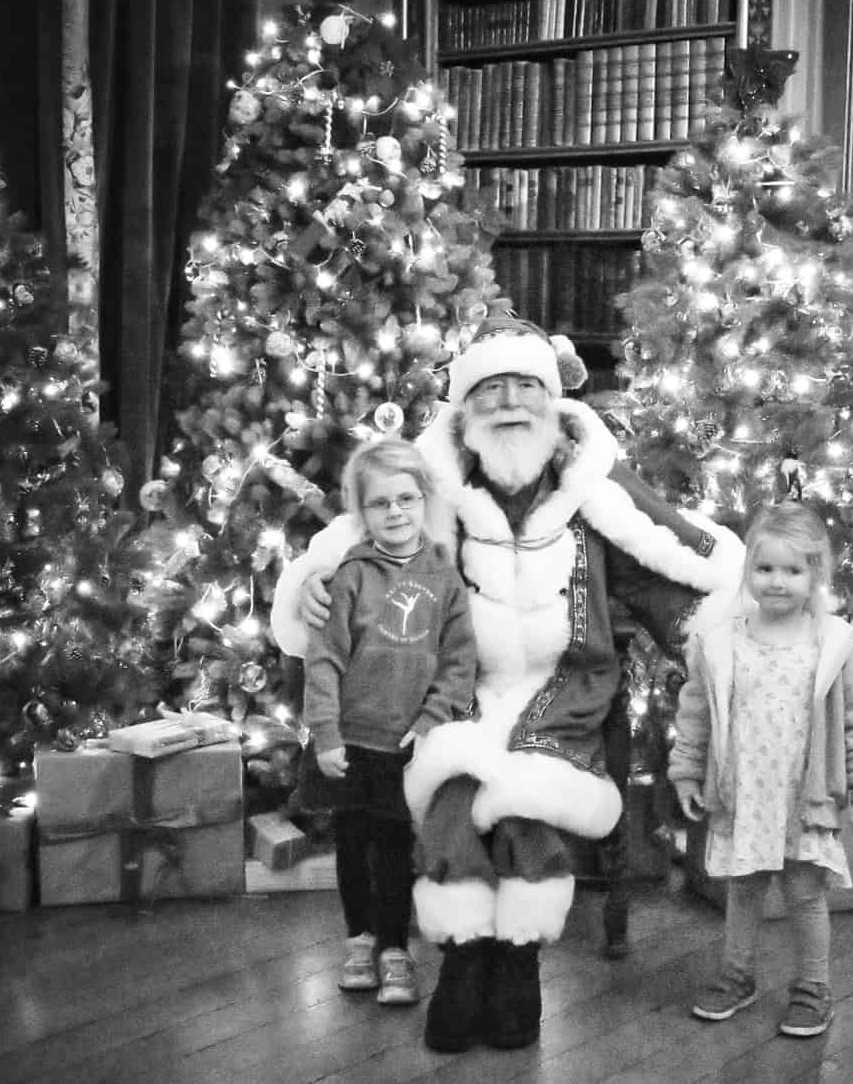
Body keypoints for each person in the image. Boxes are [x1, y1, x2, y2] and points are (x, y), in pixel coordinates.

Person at [274, 315, 744, 1053]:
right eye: (491, 390)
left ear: (553, 404)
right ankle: (467, 954)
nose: (509, 403)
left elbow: (674, 572)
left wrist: (722, 650)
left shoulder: (597, 495)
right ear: (464, 412)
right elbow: (358, 553)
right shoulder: (436, 490)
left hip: (566, 693)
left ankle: (515, 960)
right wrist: (312, 586)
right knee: (456, 777)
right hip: (451, 687)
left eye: (525, 386)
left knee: (524, 788)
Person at [669, 501, 853, 1038]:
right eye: (765, 569)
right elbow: (696, 713)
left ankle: (813, 988)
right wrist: (688, 772)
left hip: (802, 797)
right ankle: (737, 976)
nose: (778, 581)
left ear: (816, 575)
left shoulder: (833, 644)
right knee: (743, 892)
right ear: (749, 572)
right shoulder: (721, 643)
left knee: (804, 894)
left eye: (793, 570)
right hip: (744, 795)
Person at [303, 437, 478, 1008]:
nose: (395, 512)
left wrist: (432, 719)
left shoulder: (444, 578)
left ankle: (396, 950)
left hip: (406, 744)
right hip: (350, 743)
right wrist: (325, 733)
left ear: (425, 500)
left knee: (398, 846)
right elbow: (324, 658)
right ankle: (360, 940)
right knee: (353, 845)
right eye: (380, 504)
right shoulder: (349, 575)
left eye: (406, 498)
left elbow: (458, 660)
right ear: (361, 511)